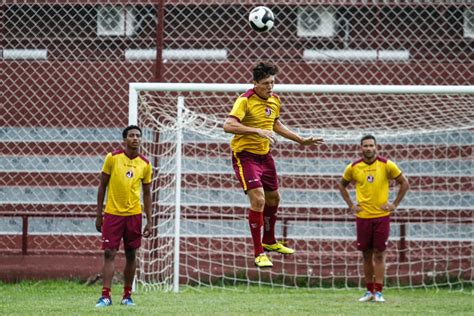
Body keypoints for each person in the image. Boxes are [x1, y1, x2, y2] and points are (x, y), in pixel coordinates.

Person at [223, 62, 324, 268]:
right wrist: (257, 131)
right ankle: (258, 252)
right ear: (255, 83)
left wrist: (301, 140)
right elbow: (228, 125)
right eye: (266, 83)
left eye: (273, 82)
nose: (270, 87)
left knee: (274, 197)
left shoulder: (275, 100)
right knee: (258, 200)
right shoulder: (244, 100)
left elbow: (275, 124)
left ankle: (269, 240)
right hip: (245, 156)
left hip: (265, 156)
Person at [338, 134, 409, 303]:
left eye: (371, 145)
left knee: (379, 253)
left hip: (381, 216)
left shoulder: (386, 165)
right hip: (363, 216)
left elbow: (404, 183)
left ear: (376, 147)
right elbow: (341, 184)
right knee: (366, 254)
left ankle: (379, 292)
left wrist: (394, 205)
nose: (369, 148)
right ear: (361, 148)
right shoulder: (353, 167)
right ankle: (369, 291)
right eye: (366, 146)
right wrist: (351, 205)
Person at [95, 125, 153, 307]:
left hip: (134, 215)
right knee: (108, 252)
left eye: (138, 136)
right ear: (124, 140)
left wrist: (149, 221)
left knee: (131, 254)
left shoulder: (145, 164)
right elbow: (102, 186)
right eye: (132, 136)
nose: (135, 139)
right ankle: (105, 296)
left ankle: (127, 296)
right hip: (112, 214)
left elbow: (147, 193)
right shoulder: (112, 158)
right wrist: (99, 214)